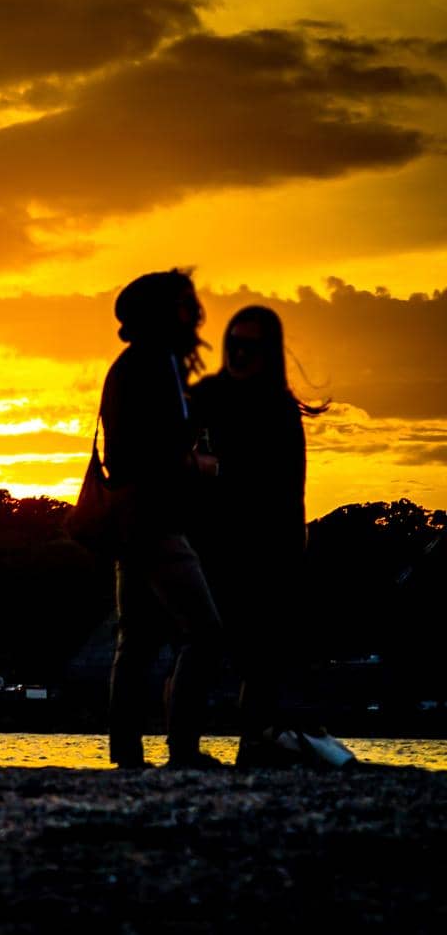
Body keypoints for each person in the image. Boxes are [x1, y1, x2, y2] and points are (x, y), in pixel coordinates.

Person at [188, 305, 327, 767]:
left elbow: (288, 485)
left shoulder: (280, 407)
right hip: (212, 544)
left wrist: (221, 470)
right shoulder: (204, 396)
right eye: (234, 343)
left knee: (261, 658)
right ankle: (181, 748)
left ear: (268, 352)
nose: (240, 353)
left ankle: (255, 745)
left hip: (269, 547)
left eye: (251, 345)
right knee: (201, 644)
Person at [100, 268, 227, 770]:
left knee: (138, 639)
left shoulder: (131, 363)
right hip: (155, 517)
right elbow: (165, 452)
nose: (194, 311)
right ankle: (184, 750)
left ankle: (126, 753)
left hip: (129, 516)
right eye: (184, 303)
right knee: (205, 631)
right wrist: (208, 465)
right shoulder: (157, 364)